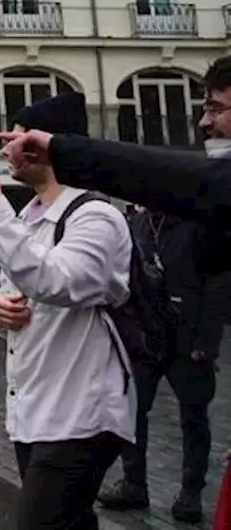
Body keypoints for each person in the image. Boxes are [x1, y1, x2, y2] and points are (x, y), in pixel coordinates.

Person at [0, 91, 134, 530]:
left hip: (81, 411)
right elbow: (10, 285)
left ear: (50, 146)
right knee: (70, 522)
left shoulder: (95, 216)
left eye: (20, 140)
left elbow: (59, 282)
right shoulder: (30, 218)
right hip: (34, 409)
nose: (7, 150)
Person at [0, 56, 231, 278]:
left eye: (216, 109)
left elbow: (57, 281)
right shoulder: (29, 212)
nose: (205, 123)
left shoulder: (94, 214)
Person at [97, 206, 225, 523]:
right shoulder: (139, 224)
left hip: (190, 340)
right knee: (132, 410)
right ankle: (134, 484)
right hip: (147, 339)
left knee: (194, 417)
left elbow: (218, 282)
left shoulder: (199, 224)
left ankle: (190, 491)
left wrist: (207, 341)